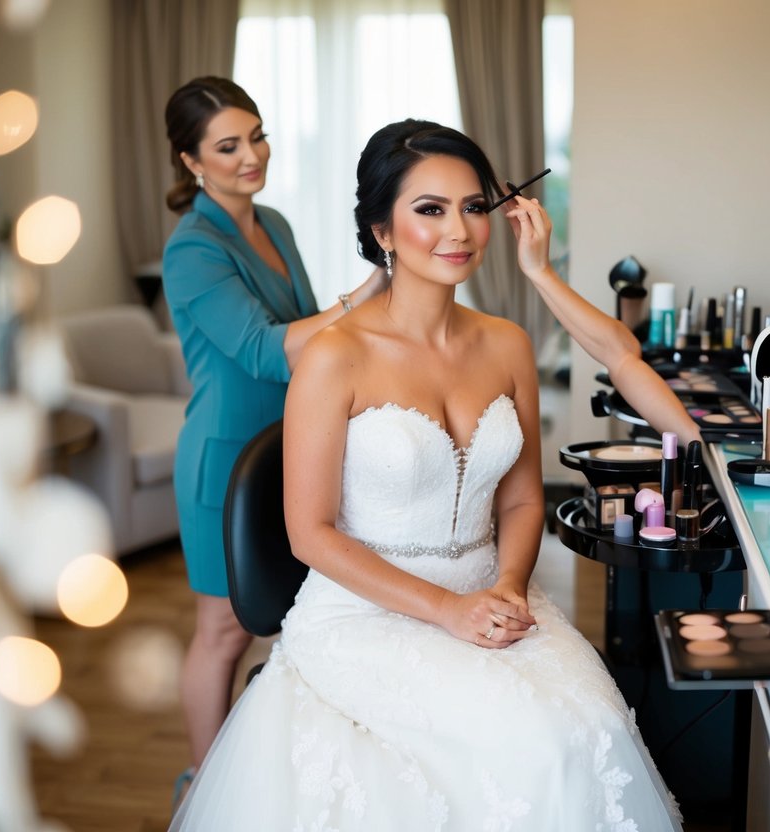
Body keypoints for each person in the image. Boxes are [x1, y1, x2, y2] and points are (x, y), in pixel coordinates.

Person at [169, 119, 682, 831]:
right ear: (381, 230)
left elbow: (523, 499)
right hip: (364, 613)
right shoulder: (333, 356)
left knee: (586, 731)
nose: (459, 231)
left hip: (491, 595)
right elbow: (309, 533)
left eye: (473, 207)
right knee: (529, 748)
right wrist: (446, 611)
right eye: (429, 210)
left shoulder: (506, 344)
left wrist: (505, 584)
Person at [161, 76, 386, 788]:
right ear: (191, 161)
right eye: (227, 146)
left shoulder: (275, 223)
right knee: (224, 630)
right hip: (223, 463)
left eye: (256, 136)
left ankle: (271, 770)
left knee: (297, 614)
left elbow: (317, 328)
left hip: (292, 447)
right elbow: (265, 349)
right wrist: (369, 290)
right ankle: (205, 781)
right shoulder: (191, 250)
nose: (250, 155)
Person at [508, 202, 703, 445]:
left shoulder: (509, 340)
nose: (460, 233)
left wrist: (539, 269)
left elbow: (622, 352)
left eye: (473, 208)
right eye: (442, 209)